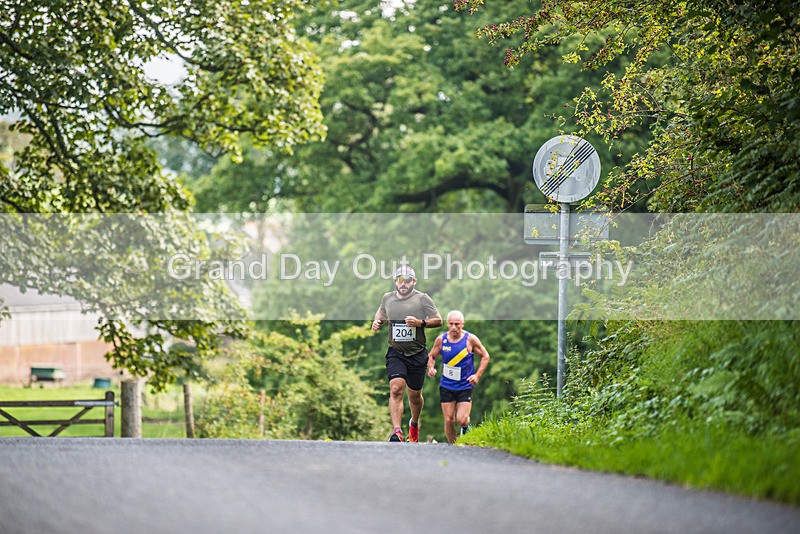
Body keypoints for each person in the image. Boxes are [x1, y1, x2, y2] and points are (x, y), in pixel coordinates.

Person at [372, 266, 442, 443]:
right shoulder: (387, 298)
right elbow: (382, 311)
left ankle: (414, 424)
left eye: (407, 280)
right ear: (395, 281)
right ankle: (397, 432)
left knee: (415, 397)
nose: (403, 284)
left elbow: (439, 320)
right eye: (400, 280)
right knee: (396, 389)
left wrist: (420, 323)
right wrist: (377, 320)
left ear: (414, 281)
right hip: (396, 352)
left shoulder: (422, 299)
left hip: (417, 354)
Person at [426, 310, 490, 444]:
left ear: (463, 324)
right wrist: (431, 367)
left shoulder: (470, 339)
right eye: (451, 324)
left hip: (464, 386)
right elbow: (431, 356)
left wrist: (477, 375)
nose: (454, 327)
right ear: (447, 324)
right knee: (449, 420)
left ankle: (466, 427)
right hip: (446, 386)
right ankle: (453, 447)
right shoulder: (441, 340)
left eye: (457, 324)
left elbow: (485, 356)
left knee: (461, 419)